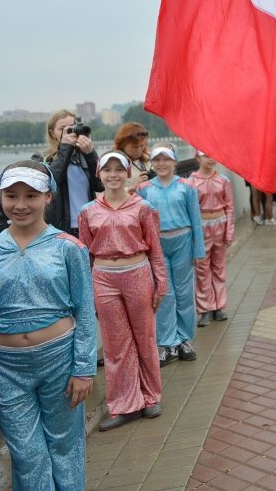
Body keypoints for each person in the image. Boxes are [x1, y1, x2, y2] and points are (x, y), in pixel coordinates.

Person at [0, 161, 95, 489]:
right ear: (0, 197)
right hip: (6, 368)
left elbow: (85, 311)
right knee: (27, 454)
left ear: (48, 197)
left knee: (65, 447)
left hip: (60, 360)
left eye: (31, 195)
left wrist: (83, 368)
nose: (20, 204)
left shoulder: (70, 249)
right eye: (11, 195)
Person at [78, 152, 166, 431]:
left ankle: (151, 396)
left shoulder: (143, 207)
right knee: (116, 345)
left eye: (119, 169)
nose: (113, 175)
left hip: (137, 273)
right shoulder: (87, 211)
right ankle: (125, 403)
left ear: (128, 173)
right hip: (104, 277)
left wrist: (160, 282)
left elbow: (155, 248)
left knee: (144, 336)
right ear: (99, 174)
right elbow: (85, 255)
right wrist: (86, 290)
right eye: (107, 170)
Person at [137, 144, 205, 366]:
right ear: (152, 163)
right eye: (157, 160)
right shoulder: (145, 189)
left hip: (183, 241)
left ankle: (184, 340)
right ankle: (167, 343)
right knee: (165, 294)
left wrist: (198, 251)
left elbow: (196, 220)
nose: (161, 164)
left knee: (184, 293)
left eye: (166, 159)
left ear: (175, 162)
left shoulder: (186, 186)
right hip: (157, 244)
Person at [38, 109, 103, 236]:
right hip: (60, 228)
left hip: (89, 224)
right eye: (63, 128)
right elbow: (50, 183)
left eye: (73, 128)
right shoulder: (43, 159)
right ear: (52, 133)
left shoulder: (83, 156)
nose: (70, 132)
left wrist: (90, 153)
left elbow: (100, 185)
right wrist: (65, 149)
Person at [189, 151, 235, 327]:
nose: (210, 158)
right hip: (201, 227)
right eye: (206, 155)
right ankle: (204, 309)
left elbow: (230, 206)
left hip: (220, 225)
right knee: (202, 269)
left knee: (219, 268)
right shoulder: (192, 182)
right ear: (198, 158)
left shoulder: (223, 180)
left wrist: (229, 231)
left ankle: (219, 306)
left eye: (213, 154)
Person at [113, 122, 152, 193]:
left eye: (142, 146)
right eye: (135, 147)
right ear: (123, 144)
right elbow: (109, 194)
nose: (139, 150)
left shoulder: (151, 160)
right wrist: (133, 187)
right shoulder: (112, 165)